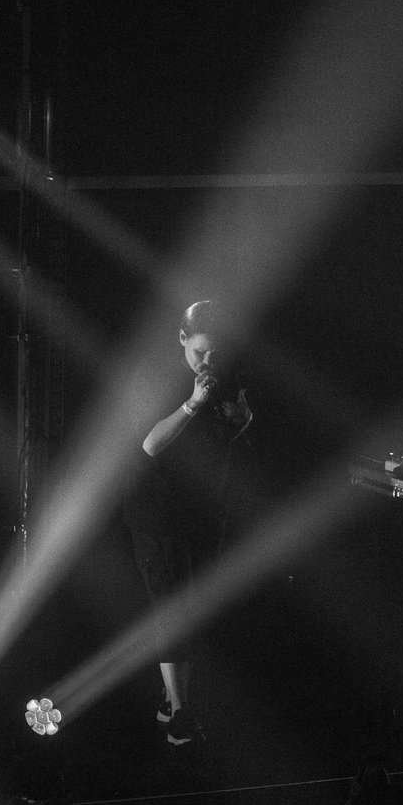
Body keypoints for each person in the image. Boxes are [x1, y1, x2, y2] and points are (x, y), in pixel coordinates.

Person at [128, 298, 253, 745]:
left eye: (215, 353)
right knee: (170, 605)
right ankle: (181, 712)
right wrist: (193, 403)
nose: (208, 361)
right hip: (157, 509)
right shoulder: (160, 379)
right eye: (200, 352)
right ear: (182, 339)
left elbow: (227, 433)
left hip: (201, 505)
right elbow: (150, 445)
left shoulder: (227, 375)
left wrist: (241, 420)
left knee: (194, 602)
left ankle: (172, 698)